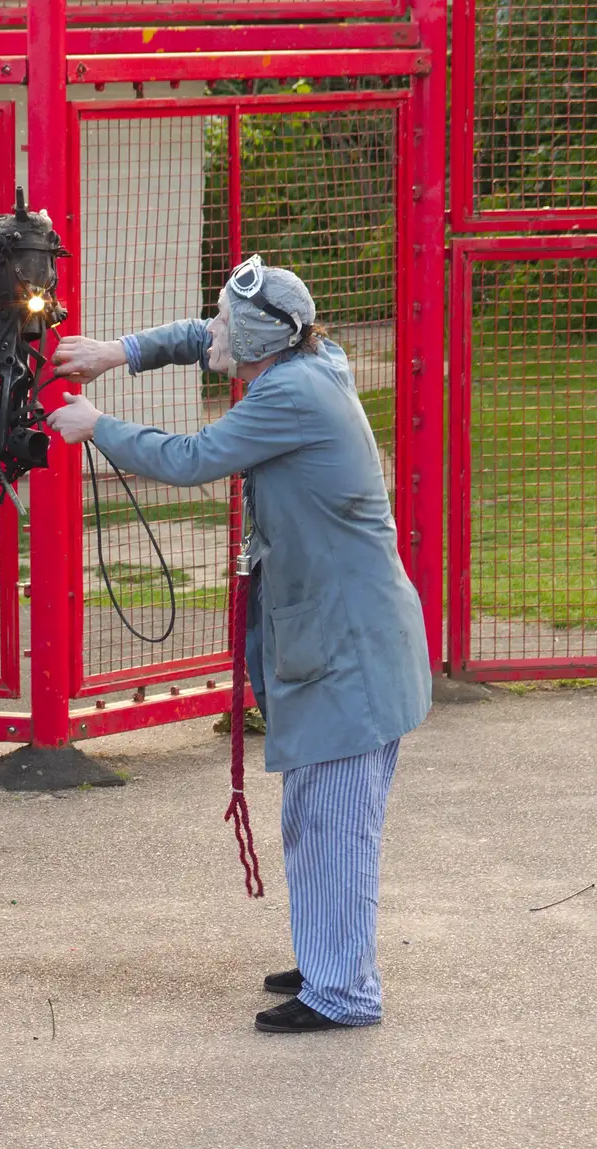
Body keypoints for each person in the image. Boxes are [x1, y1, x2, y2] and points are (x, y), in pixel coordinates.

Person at [46, 256, 431, 1033]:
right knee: (316, 817)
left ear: (258, 341)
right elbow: (202, 338)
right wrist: (117, 353)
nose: (213, 330)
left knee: (334, 822)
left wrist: (99, 426)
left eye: (227, 322)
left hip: (349, 650)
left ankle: (345, 991)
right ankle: (330, 957)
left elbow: (191, 459)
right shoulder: (310, 355)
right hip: (347, 637)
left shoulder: (289, 393)